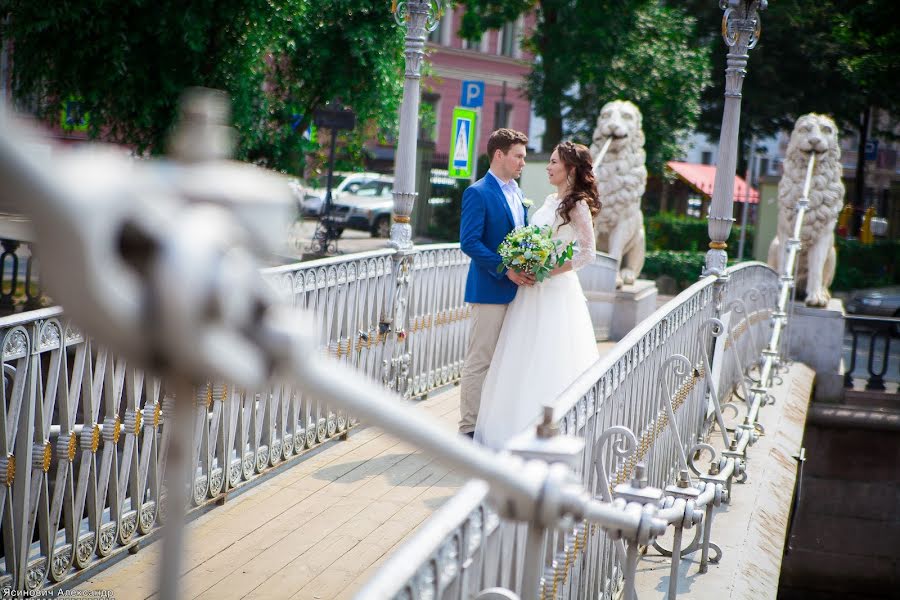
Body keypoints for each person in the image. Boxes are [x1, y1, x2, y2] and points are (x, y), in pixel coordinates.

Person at [475, 142, 602, 449]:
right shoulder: (549, 200)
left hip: (555, 292)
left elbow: (588, 253)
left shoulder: (577, 205)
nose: (547, 166)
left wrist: (548, 270)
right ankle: (510, 431)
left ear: (570, 168)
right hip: (529, 292)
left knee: (549, 357)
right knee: (519, 357)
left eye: (553, 162)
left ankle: (549, 434)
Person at [458, 128, 534, 438]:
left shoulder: (517, 193)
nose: (522, 163)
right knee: (481, 361)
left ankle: (493, 425)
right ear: (499, 154)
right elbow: (470, 242)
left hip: (519, 292)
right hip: (489, 291)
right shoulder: (478, 192)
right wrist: (506, 270)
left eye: (525, 158)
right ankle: (468, 430)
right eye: (518, 156)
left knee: (506, 362)